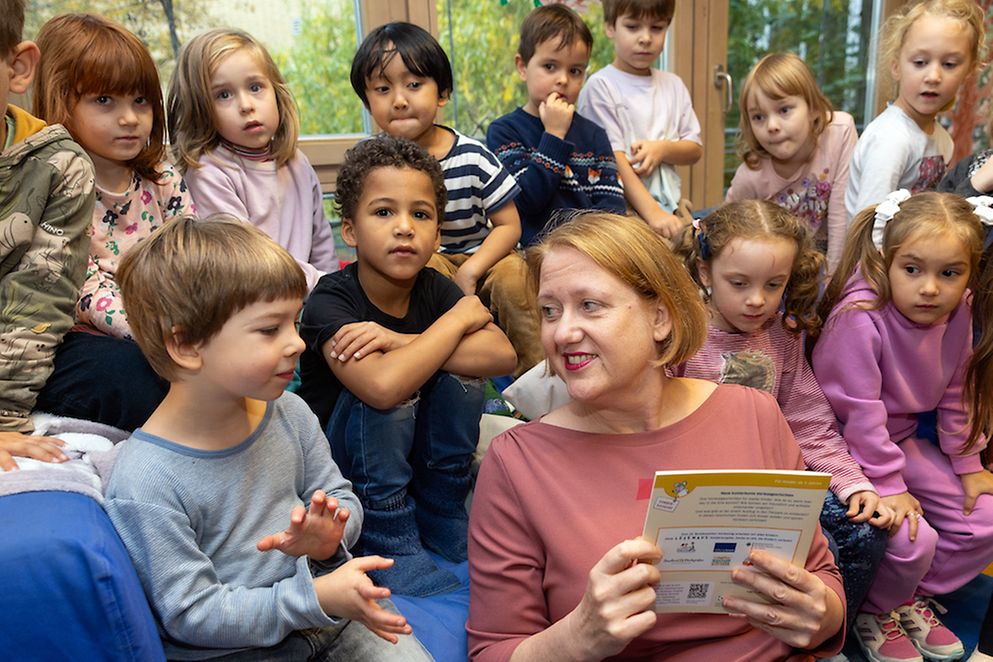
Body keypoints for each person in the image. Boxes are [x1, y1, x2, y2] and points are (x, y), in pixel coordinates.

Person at [468, 211, 845, 661]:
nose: (562, 332)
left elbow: (821, 576)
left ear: (661, 319)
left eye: (590, 305)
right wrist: (576, 638)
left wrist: (821, 612)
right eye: (550, 311)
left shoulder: (754, 414)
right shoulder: (517, 463)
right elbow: (494, 649)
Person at [106, 215, 431, 661]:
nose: (297, 344)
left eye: (294, 324)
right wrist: (310, 600)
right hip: (240, 648)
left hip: (332, 606)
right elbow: (192, 613)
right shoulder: (145, 481)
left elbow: (340, 496)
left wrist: (330, 537)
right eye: (269, 329)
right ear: (185, 345)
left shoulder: (290, 413)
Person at [297, 136, 516, 597]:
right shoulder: (331, 299)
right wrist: (456, 323)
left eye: (420, 214)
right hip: (345, 470)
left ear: (437, 234)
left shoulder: (434, 289)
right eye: (383, 212)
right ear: (350, 230)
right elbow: (380, 387)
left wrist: (400, 340)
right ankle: (386, 527)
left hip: (417, 458)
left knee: (462, 378)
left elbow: (501, 355)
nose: (404, 228)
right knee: (397, 388)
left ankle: (440, 507)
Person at [670, 199, 891, 631]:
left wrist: (851, 482)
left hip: (771, 484)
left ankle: (831, 633)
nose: (758, 300)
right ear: (703, 272)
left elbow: (808, 422)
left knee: (865, 532)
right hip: (697, 489)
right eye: (738, 283)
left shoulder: (784, 334)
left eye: (774, 285)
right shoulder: (679, 334)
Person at [811, 190, 993, 662]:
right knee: (914, 538)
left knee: (984, 520)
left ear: (970, 273)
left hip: (902, 438)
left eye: (949, 273)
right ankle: (875, 609)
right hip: (845, 448)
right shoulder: (859, 317)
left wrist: (968, 462)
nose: (930, 288)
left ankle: (903, 597)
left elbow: (956, 390)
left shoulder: (960, 309)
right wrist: (888, 484)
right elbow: (858, 413)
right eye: (912, 270)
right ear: (886, 261)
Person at [30, 13, 194, 431]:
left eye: (140, 101)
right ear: (60, 100)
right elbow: (83, 290)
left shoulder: (161, 177)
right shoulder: (54, 187)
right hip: (76, 337)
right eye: (105, 100)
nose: (129, 118)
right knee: (138, 377)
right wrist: (162, 336)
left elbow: (191, 256)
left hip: (165, 322)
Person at [350, 22, 537, 376]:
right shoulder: (368, 163)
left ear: (442, 93)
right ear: (367, 100)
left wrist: (471, 269)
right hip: (418, 259)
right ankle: (434, 378)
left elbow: (510, 226)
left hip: (484, 258)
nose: (400, 99)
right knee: (419, 274)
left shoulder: (472, 156)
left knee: (516, 275)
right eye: (382, 88)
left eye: (414, 84)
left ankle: (537, 384)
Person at [168, 28, 338, 291]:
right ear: (201, 109)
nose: (246, 105)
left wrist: (332, 294)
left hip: (309, 295)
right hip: (252, 301)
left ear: (276, 93)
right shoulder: (209, 174)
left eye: (255, 87)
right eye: (224, 94)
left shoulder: (297, 162)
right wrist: (322, 284)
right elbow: (248, 261)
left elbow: (321, 242)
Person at [0, 0, 94, 469]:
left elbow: (37, 299)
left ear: (18, 68)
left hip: (21, 349)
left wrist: (3, 419)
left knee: (136, 379)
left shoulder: (60, 166)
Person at [485, 4, 625, 247]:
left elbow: (613, 210)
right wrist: (554, 135)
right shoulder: (504, 131)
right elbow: (526, 201)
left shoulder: (595, 135)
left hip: (591, 251)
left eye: (575, 71)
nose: (563, 80)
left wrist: (583, 244)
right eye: (550, 66)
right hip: (533, 255)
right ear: (522, 67)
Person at [845, 0, 984, 219]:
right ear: (896, 66)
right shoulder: (890, 139)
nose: (933, 77)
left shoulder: (942, 139)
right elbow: (868, 224)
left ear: (969, 71)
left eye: (949, 64)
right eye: (920, 62)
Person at [576, 0, 702, 238]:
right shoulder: (601, 86)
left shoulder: (673, 85)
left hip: (672, 207)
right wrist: (653, 214)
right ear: (610, 27)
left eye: (656, 28)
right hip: (622, 215)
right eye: (633, 27)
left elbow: (694, 148)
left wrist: (662, 149)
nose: (645, 38)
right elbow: (614, 159)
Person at [726, 53, 857, 273]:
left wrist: (836, 279)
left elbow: (840, 213)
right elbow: (725, 231)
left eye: (784, 110)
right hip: (775, 265)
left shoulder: (840, 132)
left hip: (826, 255)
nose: (772, 126)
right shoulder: (749, 175)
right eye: (758, 117)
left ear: (813, 109)